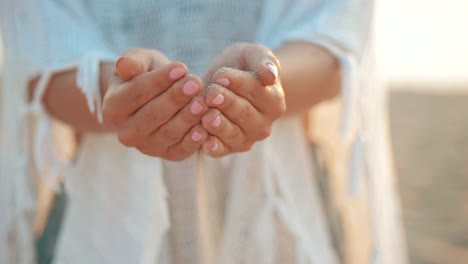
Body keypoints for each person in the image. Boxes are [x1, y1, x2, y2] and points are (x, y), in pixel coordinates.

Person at [0, 0, 407, 263]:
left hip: (279, 212)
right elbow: (37, 56)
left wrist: (264, 84)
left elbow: (336, 39)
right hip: (104, 213)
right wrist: (125, 89)